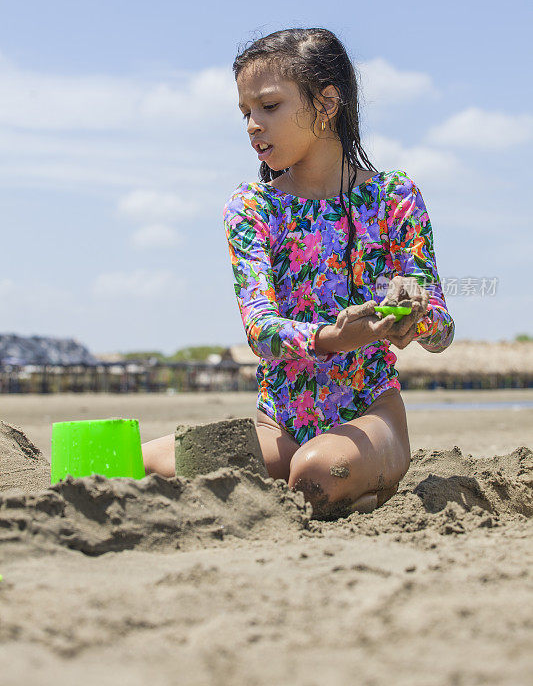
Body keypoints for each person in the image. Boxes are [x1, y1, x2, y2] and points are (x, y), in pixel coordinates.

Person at [142, 27, 455, 519]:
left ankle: (364, 471)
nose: (252, 125)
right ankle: (353, 489)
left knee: (316, 473)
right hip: (279, 425)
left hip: (371, 413)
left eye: (269, 107)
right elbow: (260, 331)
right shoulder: (251, 207)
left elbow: (442, 331)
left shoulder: (395, 197)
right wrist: (333, 336)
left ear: (327, 103)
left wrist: (414, 316)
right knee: (144, 464)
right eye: (246, 112)